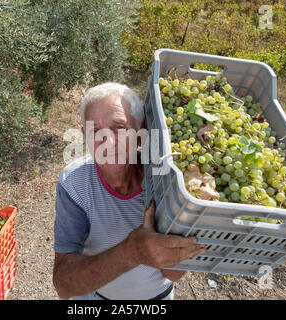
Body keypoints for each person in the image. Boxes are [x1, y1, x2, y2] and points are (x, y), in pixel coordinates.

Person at [53, 82, 205, 300]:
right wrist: (131, 252)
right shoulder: (74, 183)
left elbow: (173, 273)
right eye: (95, 130)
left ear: (141, 130)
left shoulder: (166, 181)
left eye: (119, 127)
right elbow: (64, 286)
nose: (108, 141)